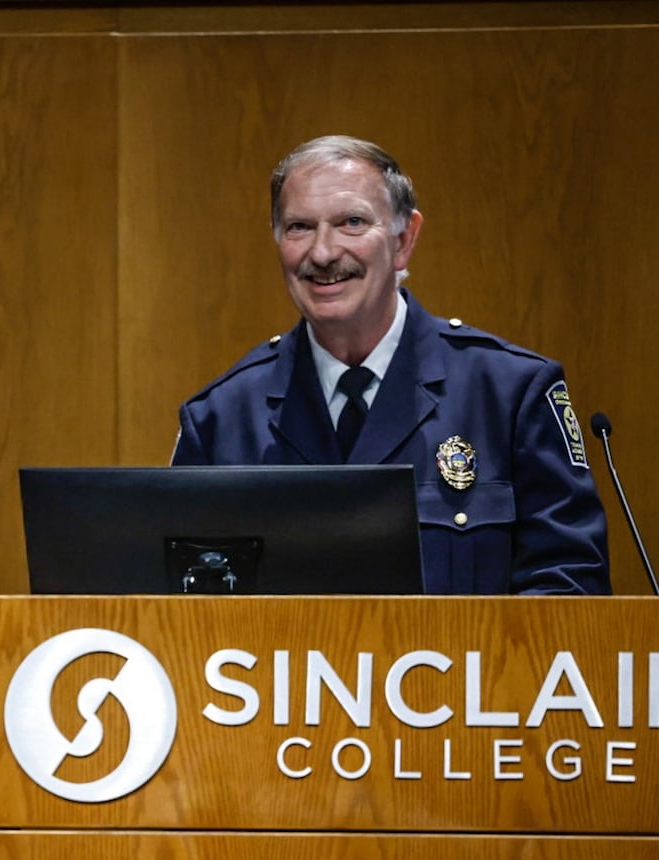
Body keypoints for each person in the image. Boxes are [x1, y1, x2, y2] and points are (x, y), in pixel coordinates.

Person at [172, 135, 609, 594]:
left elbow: (571, 589)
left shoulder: (510, 394)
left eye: (352, 222)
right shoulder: (220, 419)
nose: (322, 253)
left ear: (404, 240)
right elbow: (186, 611)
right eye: (299, 227)